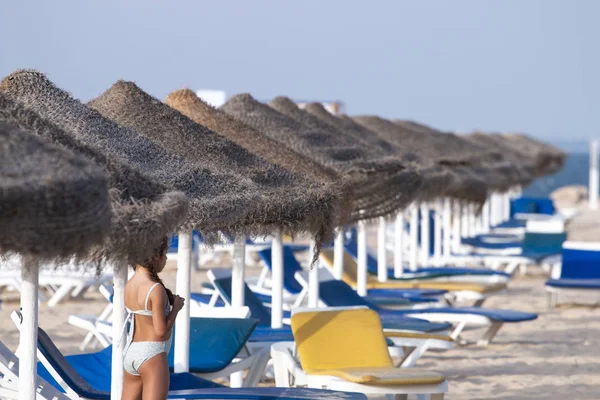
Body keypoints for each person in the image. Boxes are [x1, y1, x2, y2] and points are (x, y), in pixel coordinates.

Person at [120, 236, 185, 400]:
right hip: (152, 354)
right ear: (156, 256)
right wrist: (175, 309)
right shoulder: (154, 288)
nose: (167, 258)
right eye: (165, 254)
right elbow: (161, 330)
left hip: (131, 352)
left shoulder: (130, 284)